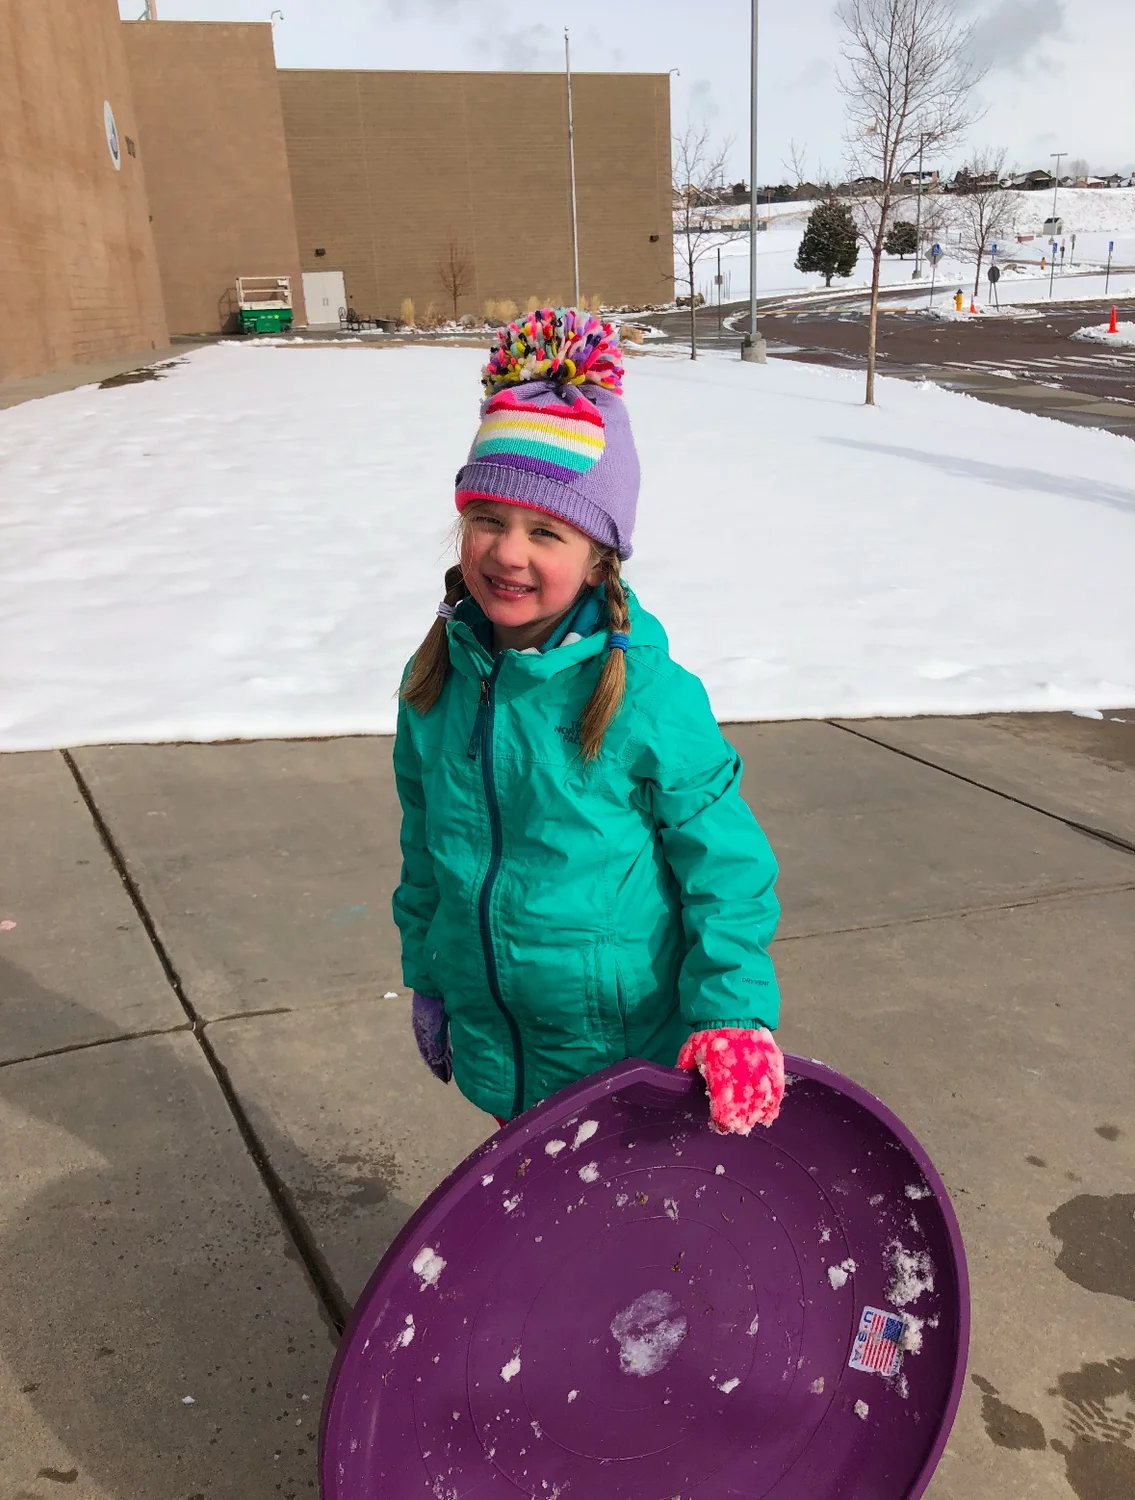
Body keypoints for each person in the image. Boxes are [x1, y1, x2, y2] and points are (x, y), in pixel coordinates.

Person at [392, 308, 783, 1136]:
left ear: (599, 555)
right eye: (488, 520)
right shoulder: (435, 681)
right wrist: (429, 974)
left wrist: (733, 1013)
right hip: (502, 1041)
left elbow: (726, 866)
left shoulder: (647, 695)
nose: (508, 553)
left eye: (547, 531)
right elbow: (426, 850)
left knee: (641, 1250)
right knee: (540, 1244)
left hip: (626, 1053)